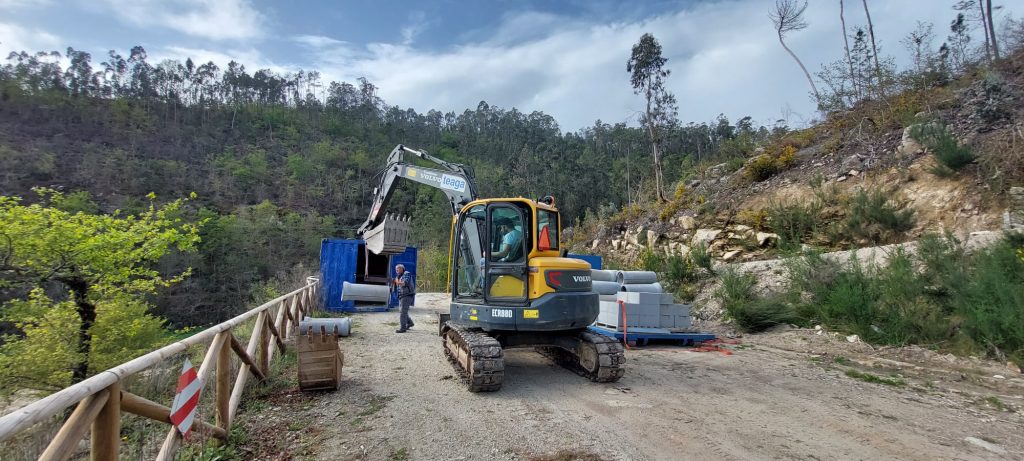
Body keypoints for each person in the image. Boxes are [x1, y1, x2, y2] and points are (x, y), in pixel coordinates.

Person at [393, 264, 415, 333]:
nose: (396, 271)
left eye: (398, 269)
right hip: (402, 296)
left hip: (407, 295)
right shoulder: (399, 276)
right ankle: (410, 323)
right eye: (396, 269)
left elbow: (403, 283)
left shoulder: (406, 274)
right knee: (402, 311)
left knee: (403, 312)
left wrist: (397, 282)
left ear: (402, 269)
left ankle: (403, 328)